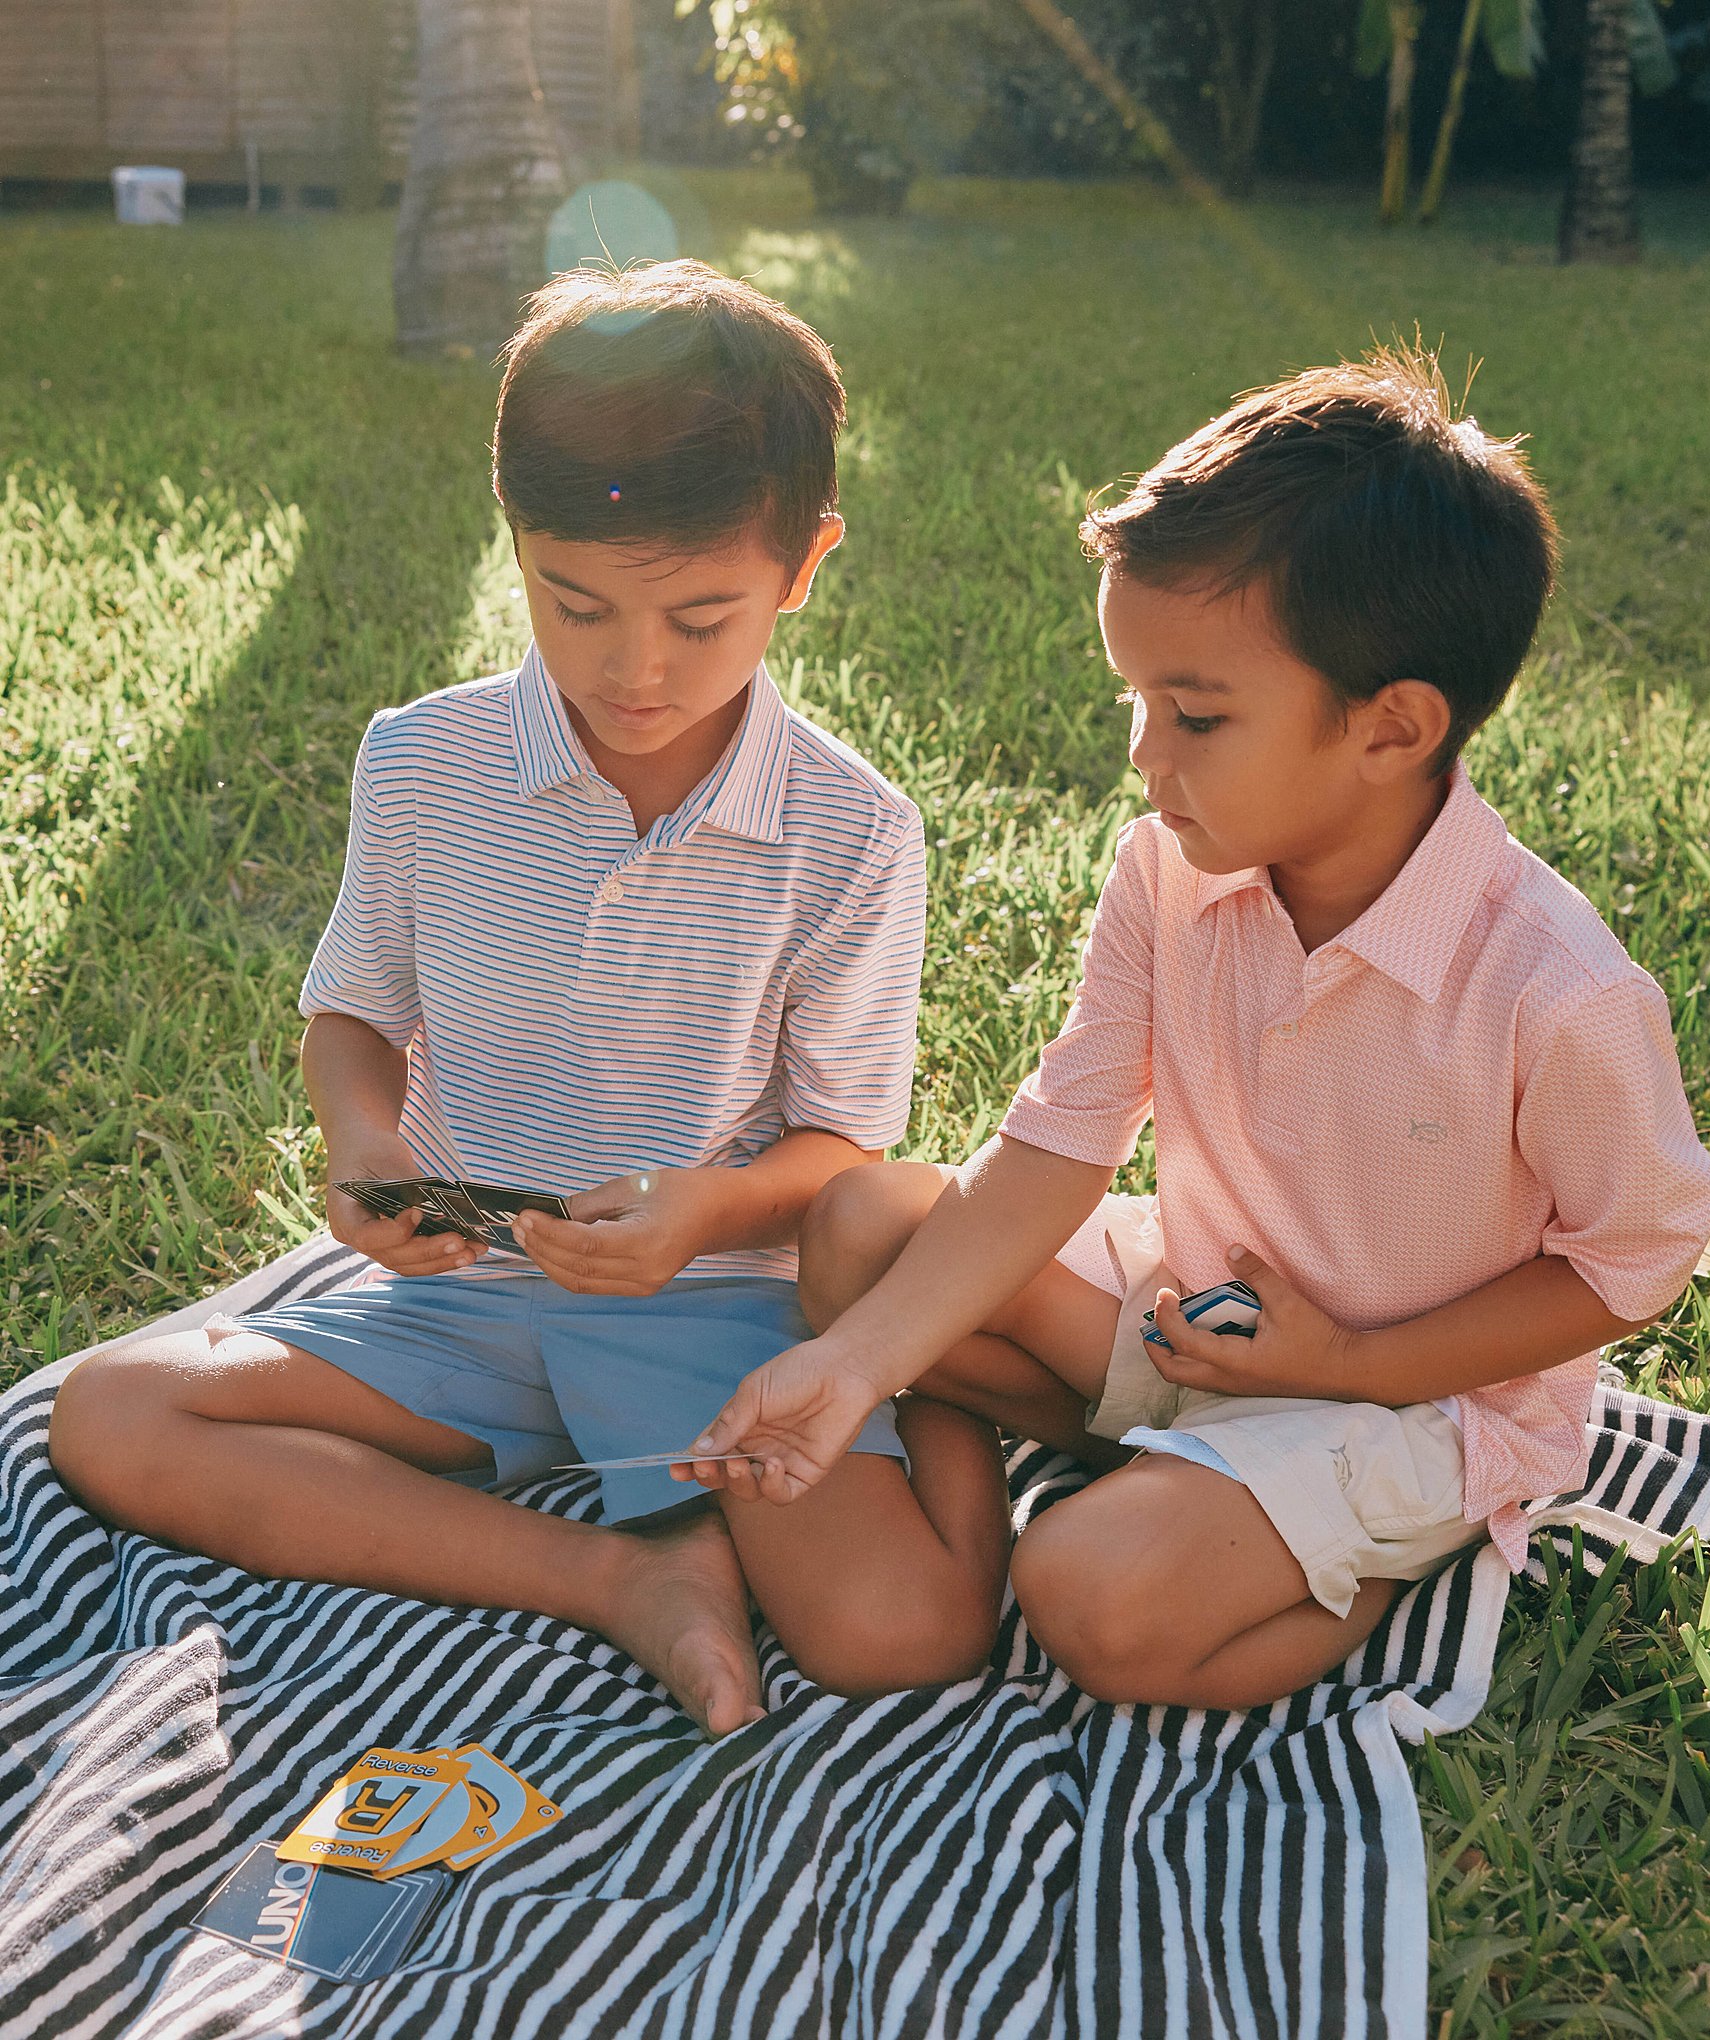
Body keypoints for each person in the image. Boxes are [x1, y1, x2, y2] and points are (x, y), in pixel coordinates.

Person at [677, 346, 1710, 1711]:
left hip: (1415, 1402)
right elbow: (1061, 1140)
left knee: (1085, 1595)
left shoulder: (1553, 989)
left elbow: (1635, 1263)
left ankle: (1380, 1557)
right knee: (862, 1235)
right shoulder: (1171, 871)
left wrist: (1343, 1367)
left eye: (1196, 715)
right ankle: (1186, 1473)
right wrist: (847, 1369)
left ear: (1394, 729)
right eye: (1136, 699)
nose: (1139, 754)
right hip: (1208, 1307)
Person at [48, 261, 1009, 1739]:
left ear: (804, 567)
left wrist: (701, 1213)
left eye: (702, 619)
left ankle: (939, 1381)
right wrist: (366, 1143)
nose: (637, 670)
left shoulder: (849, 827)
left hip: (712, 1317)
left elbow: (841, 1155)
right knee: (113, 1415)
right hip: (467, 1309)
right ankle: (623, 1582)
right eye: (576, 607)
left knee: (898, 1634)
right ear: (516, 543)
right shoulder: (423, 762)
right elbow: (354, 1012)